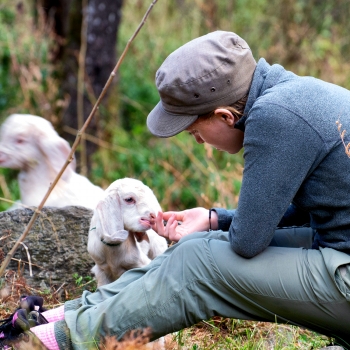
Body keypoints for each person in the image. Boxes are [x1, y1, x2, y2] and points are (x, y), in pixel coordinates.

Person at [1, 30, 350, 350]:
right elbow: (315, 212)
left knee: (200, 265)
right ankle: (59, 318)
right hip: (339, 253)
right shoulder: (295, 95)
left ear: (225, 116)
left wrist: (228, 227)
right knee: (198, 246)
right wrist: (214, 219)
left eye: (194, 131)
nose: (198, 142)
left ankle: (50, 343)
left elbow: (247, 243)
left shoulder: (276, 116)